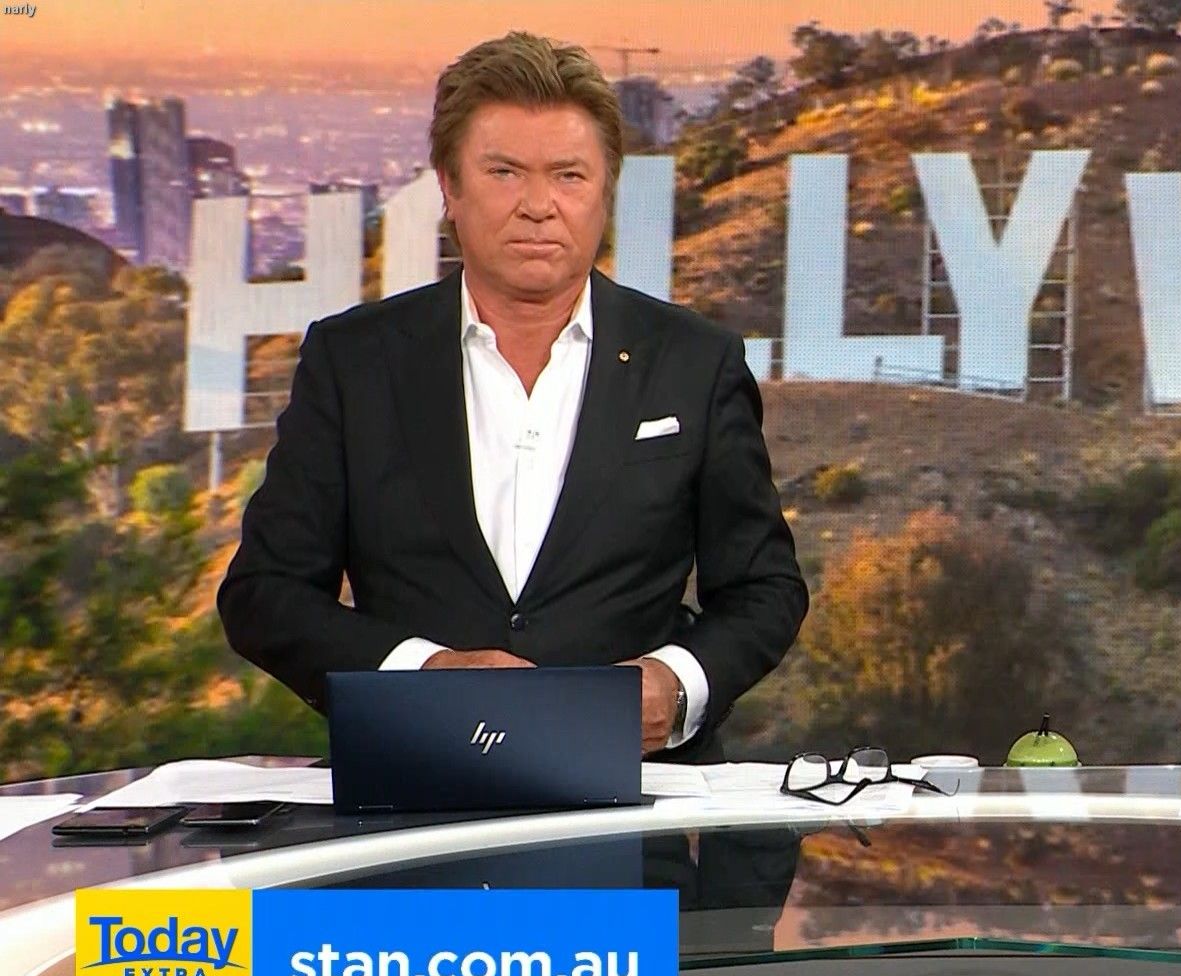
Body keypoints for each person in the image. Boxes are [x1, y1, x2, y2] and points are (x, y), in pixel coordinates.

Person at [218, 32, 807, 763]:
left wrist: (676, 683)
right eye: (504, 172)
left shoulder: (694, 362)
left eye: (569, 176)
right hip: (415, 794)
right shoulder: (355, 361)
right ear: (450, 186)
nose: (538, 206)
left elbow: (764, 588)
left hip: (640, 799)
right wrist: (423, 675)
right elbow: (265, 593)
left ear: (605, 192)